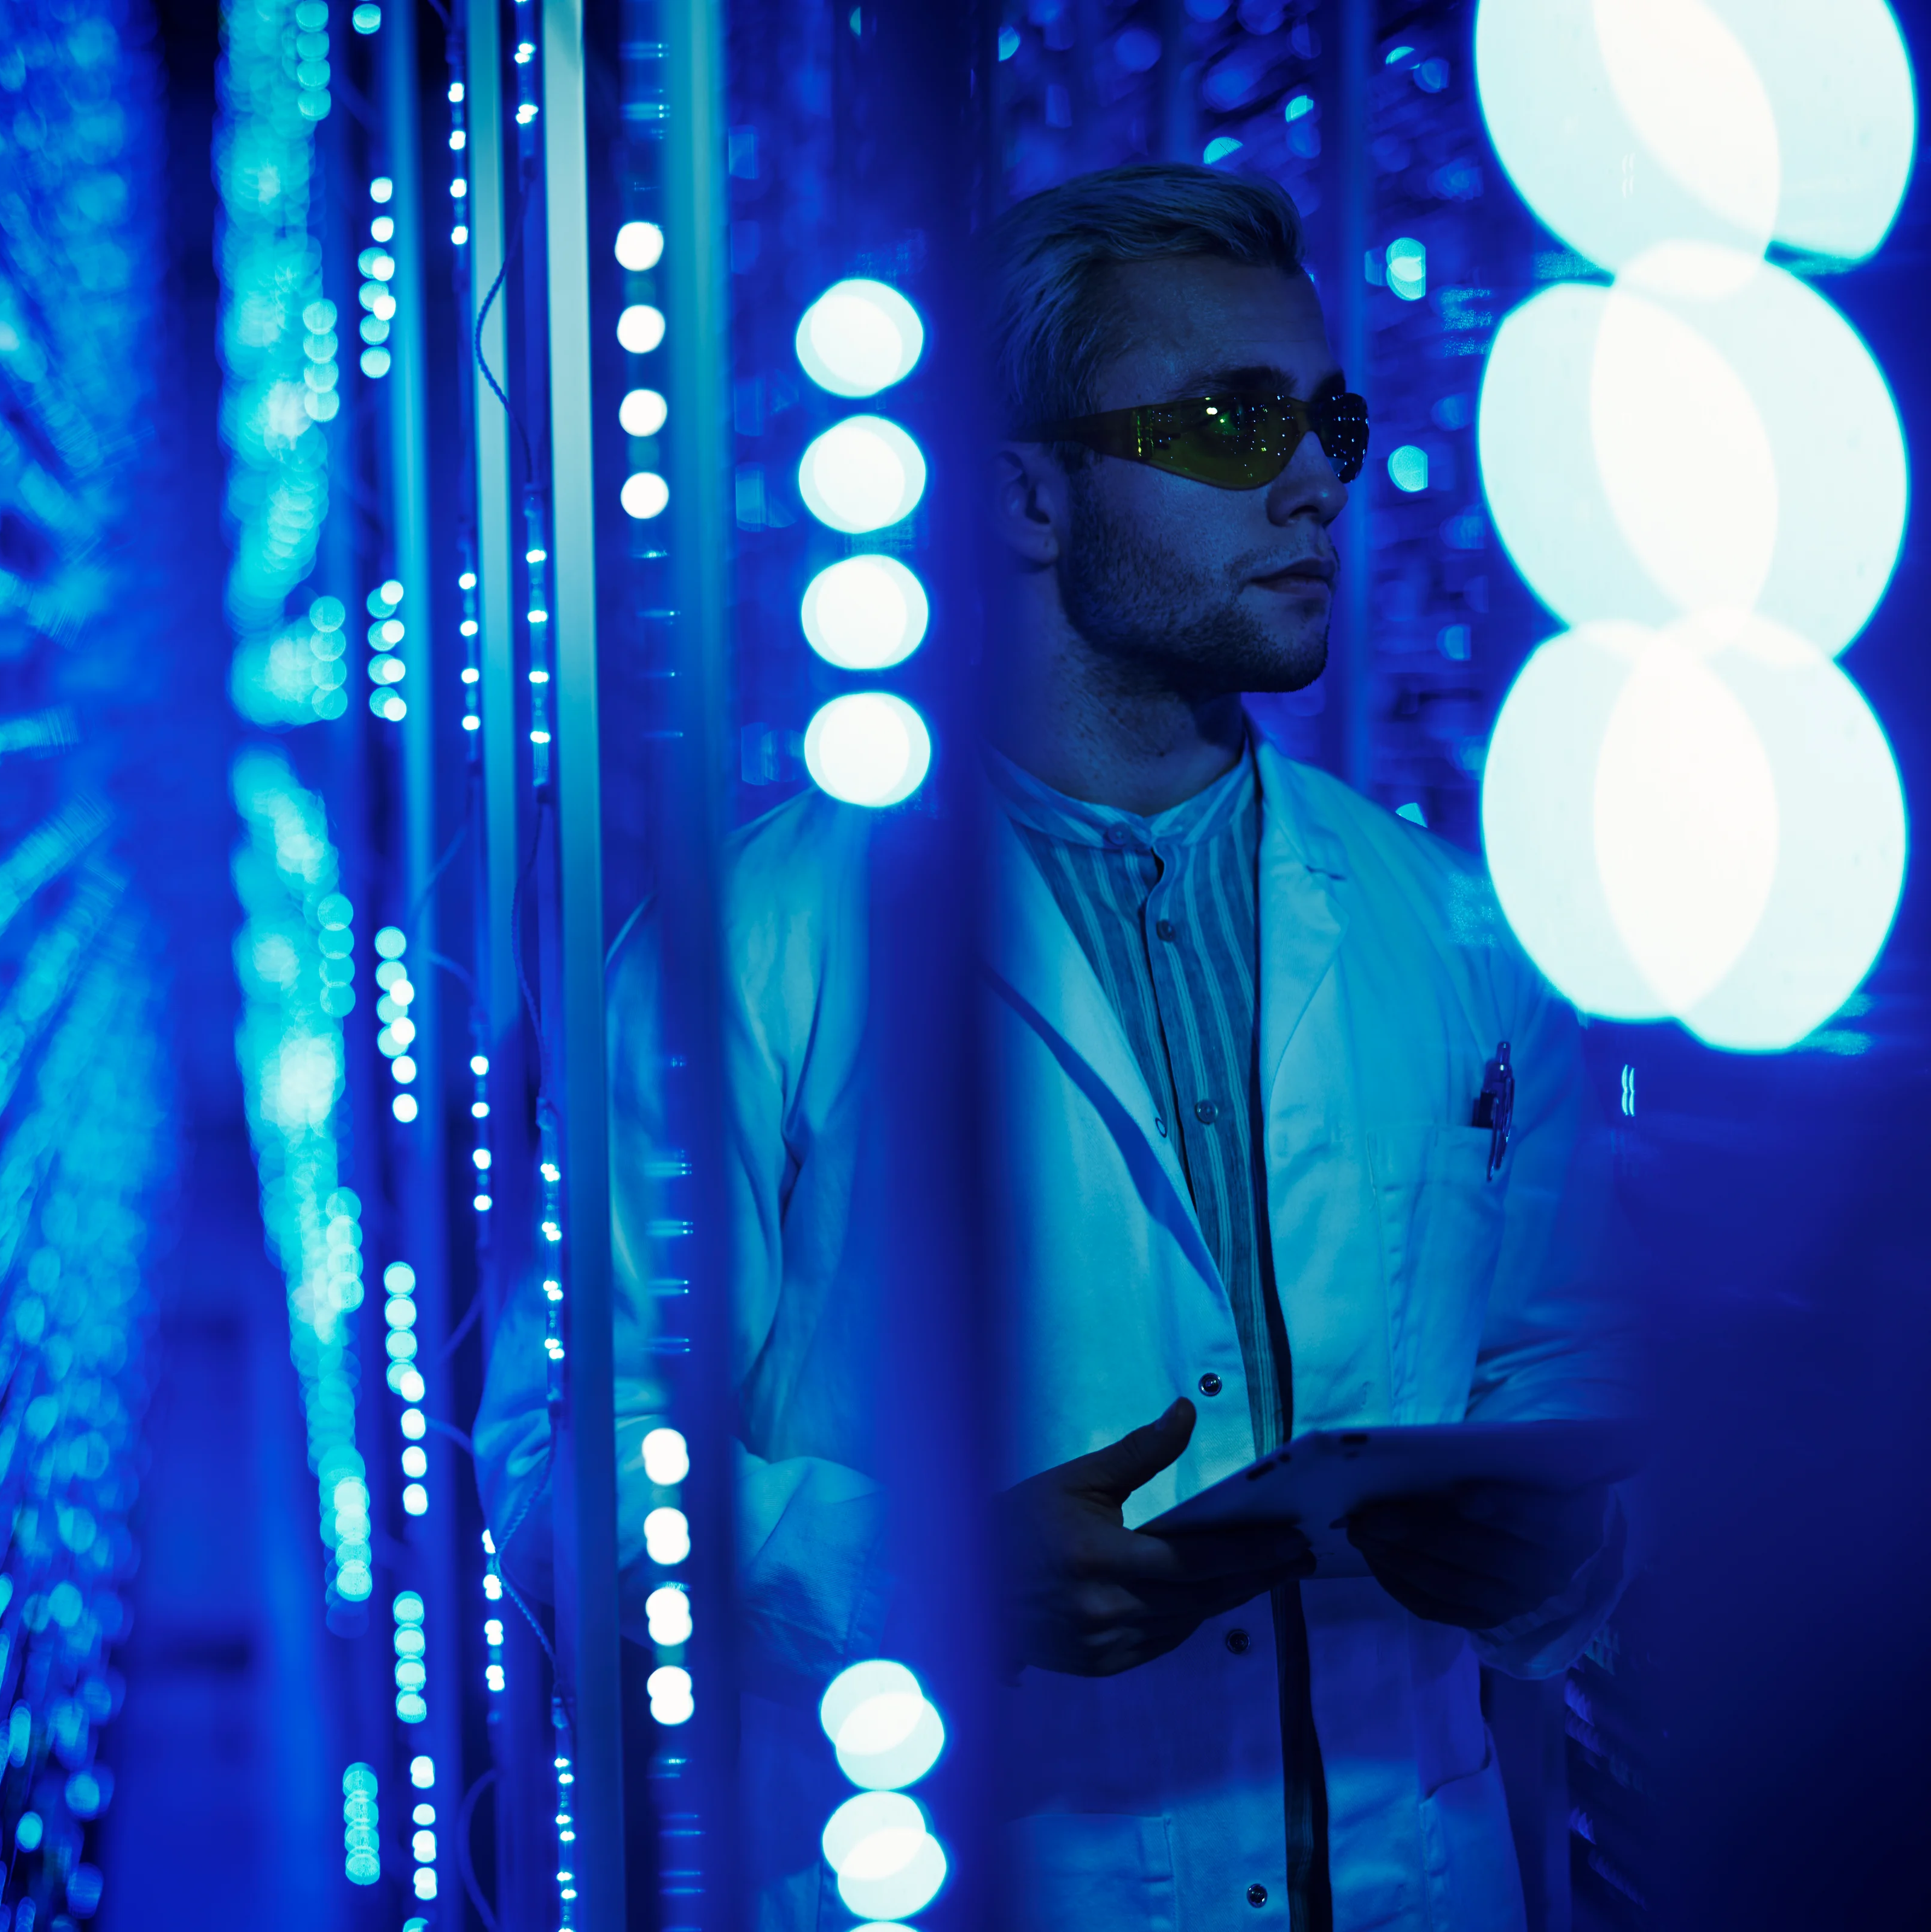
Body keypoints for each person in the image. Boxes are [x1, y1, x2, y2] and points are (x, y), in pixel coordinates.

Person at [475, 164, 1633, 1930]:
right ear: (1026, 492)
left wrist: (1561, 1561)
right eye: (1237, 423)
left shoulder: (1454, 929)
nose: (1323, 476)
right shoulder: (760, 950)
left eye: (1327, 416)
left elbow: (1552, 1377)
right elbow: (563, 1454)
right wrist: (922, 1573)